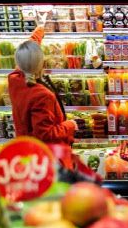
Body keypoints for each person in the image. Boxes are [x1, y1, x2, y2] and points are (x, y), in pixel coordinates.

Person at [8, 16, 77, 145]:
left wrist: (40, 28)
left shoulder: (15, 79)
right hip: (45, 152)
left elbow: (28, 51)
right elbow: (45, 134)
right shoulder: (42, 96)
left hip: (26, 146)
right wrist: (70, 125)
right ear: (41, 62)